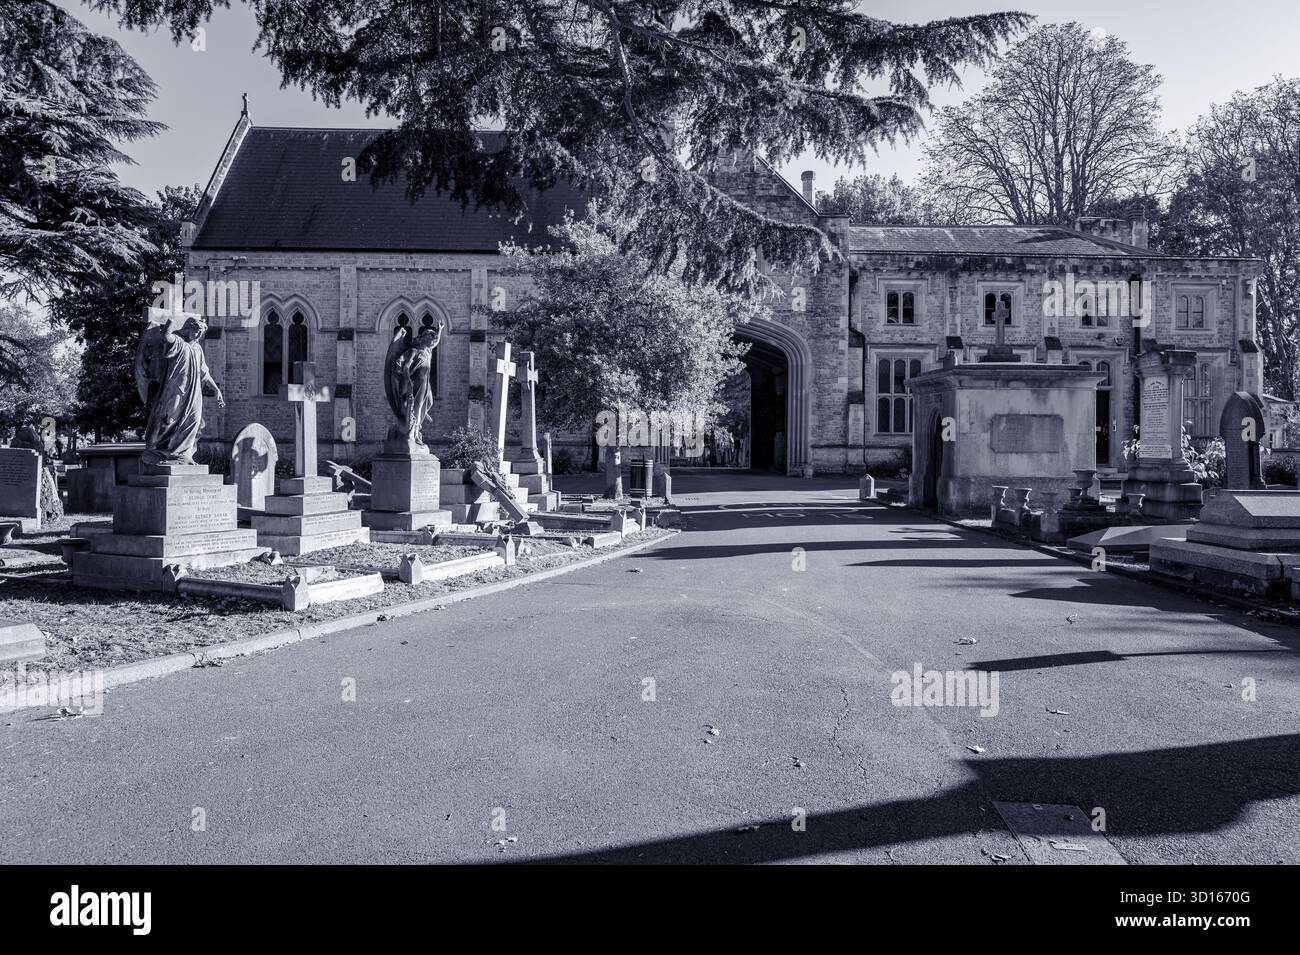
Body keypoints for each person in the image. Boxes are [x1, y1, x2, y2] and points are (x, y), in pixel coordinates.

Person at [135, 315, 225, 469]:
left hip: (194, 392)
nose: (199, 335)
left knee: (195, 421)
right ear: (188, 328)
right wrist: (171, 320)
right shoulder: (178, 342)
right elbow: (166, 336)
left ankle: (184, 455)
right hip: (176, 389)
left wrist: (217, 391)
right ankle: (161, 451)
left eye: (201, 333)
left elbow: (204, 373)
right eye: (197, 331)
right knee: (168, 419)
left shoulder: (198, 349)